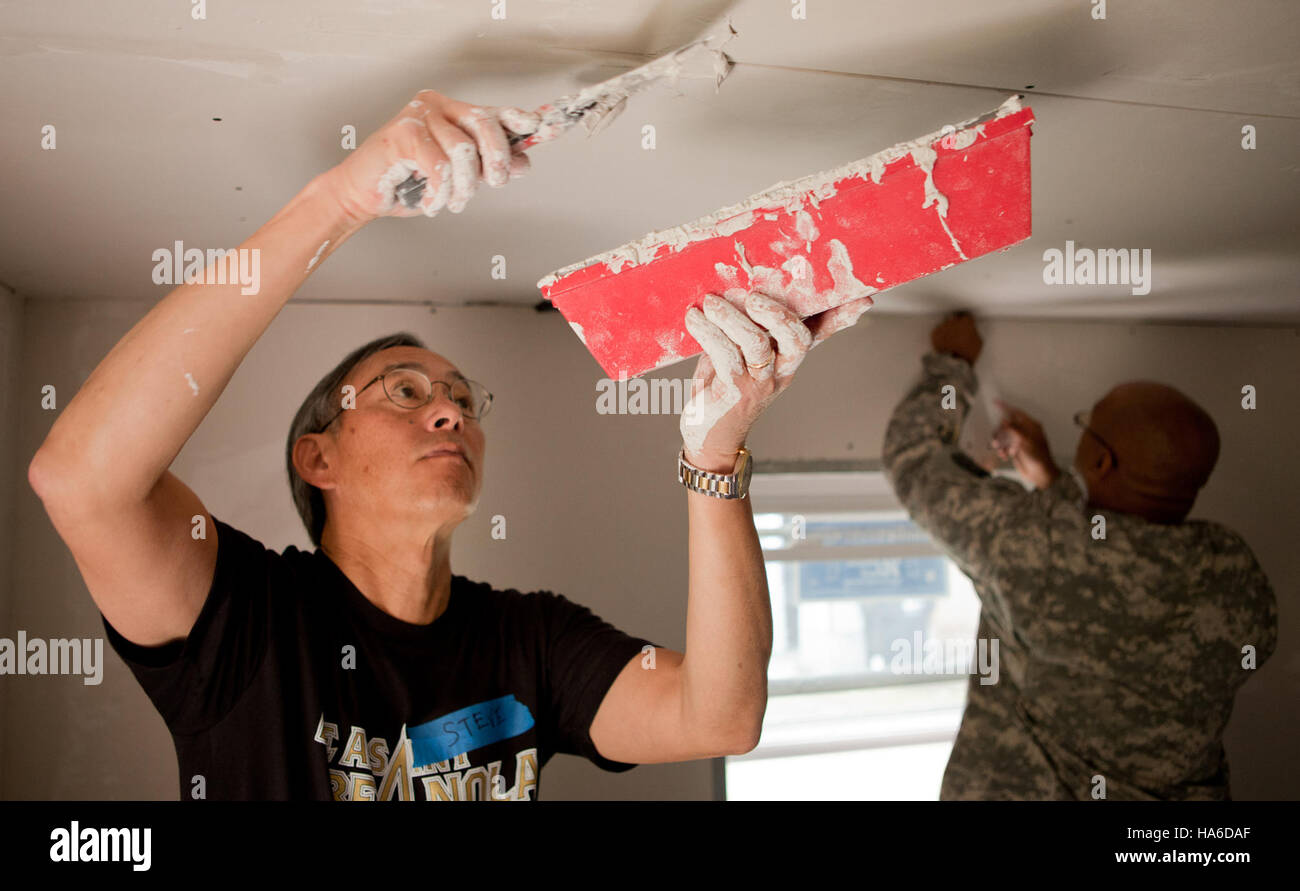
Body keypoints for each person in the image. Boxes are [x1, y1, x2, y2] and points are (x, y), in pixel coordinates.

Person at [27, 88, 874, 800]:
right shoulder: (249, 618)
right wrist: (342, 199)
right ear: (317, 457)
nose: (451, 414)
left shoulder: (529, 641)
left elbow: (717, 714)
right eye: (406, 390)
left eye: (464, 400)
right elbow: (81, 480)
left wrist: (713, 458)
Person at [881, 312, 1278, 800]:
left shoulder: (1037, 544)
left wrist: (953, 361)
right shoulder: (1235, 573)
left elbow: (914, 460)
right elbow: (1112, 569)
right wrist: (1056, 490)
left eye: (1088, 425)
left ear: (1101, 461)